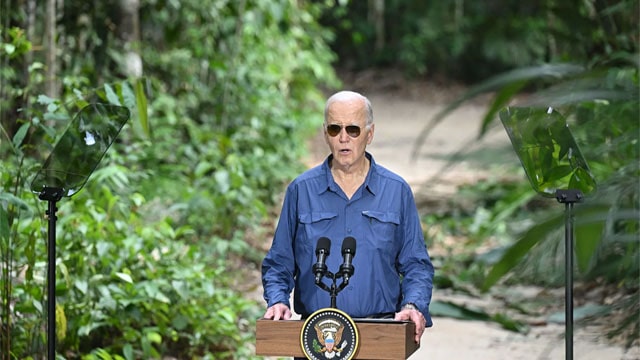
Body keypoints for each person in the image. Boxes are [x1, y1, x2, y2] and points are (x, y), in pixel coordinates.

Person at [261, 90, 434, 344]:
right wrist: (277, 301)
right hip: (315, 337)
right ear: (325, 133)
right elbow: (279, 262)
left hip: (380, 334)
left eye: (353, 129)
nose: (343, 138)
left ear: (369, 134)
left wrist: (412, 304)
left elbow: (416, 264)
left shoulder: (396, 191)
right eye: (334, 129)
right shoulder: (301, 190)